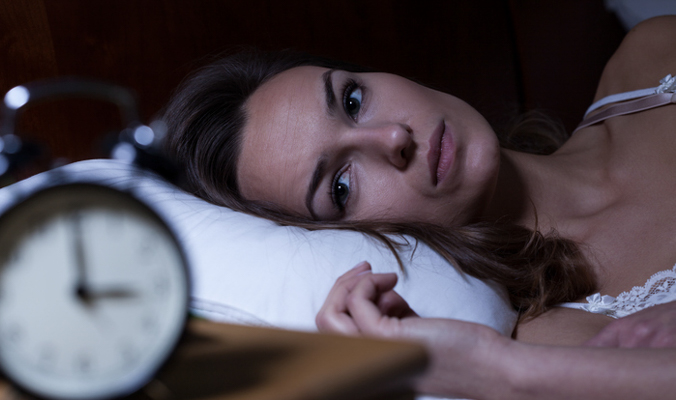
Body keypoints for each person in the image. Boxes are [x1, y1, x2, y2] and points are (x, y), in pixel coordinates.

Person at [163, 16, 676, 399]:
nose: (392, 137)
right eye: (340, 186)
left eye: (353, 100)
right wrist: (500, 372)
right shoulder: (565, 340)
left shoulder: (652, 60)